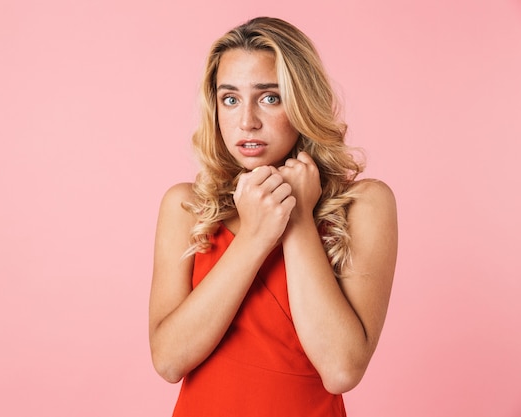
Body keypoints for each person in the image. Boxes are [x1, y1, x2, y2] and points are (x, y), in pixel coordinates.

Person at [149, 16, 398, 417]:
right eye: (230, 99)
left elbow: (340, 369)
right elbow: (168, 361)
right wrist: (253, 238)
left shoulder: (364, 204)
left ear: (303, 101)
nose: (246, 120)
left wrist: (297, 219)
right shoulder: (186, 207)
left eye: (270, 97)